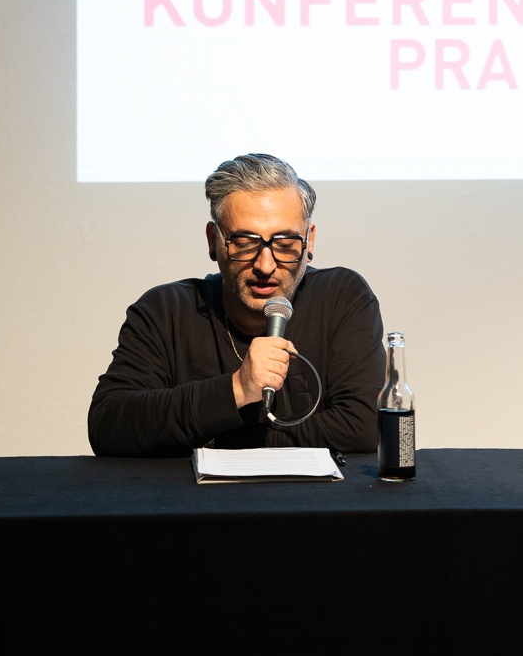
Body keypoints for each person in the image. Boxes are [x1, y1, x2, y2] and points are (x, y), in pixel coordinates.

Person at [88, 154, 385, 456]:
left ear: (309, 240)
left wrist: (223, 441)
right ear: (213, 241)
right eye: (244, 243)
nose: (265, 266)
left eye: (285, 244)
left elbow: (365, 426)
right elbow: (107, 426)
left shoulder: (342, 298)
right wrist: (237, 389)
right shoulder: (165, 311)